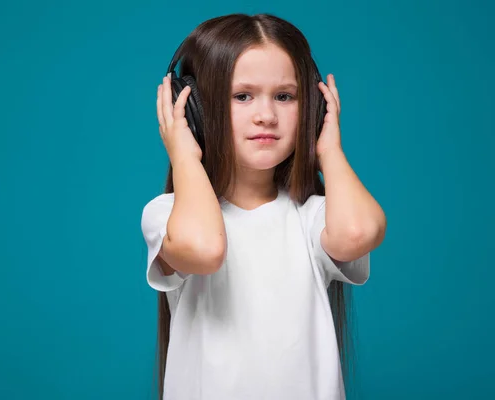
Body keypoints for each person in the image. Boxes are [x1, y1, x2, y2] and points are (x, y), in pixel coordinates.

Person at [141, 13, 386, 400]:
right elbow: (204, 249)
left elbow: (358, 233)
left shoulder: (312, 219)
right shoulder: (168, 215)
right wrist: (185, 157)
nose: (266, 115)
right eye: (242, 96)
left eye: (284, 96)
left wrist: (329, 150)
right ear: (193, 111)